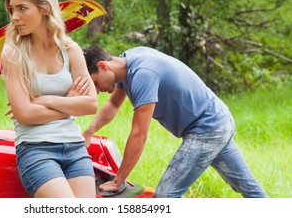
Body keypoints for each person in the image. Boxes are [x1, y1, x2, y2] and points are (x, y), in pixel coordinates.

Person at [82, 45, 268, 198]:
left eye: (95, 83)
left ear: (103, 66)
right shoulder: (127, 61)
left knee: (165, 197)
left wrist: (118, 180)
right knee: (249, 188)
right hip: (219, 120)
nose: (96, 90)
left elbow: (139, 135)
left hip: (207, 129)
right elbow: (113, 105)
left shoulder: (143, 74)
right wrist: (89, 132)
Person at [0, 0, 98, 198]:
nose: (14, 16)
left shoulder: (71, 50)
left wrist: (44, 100)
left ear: (44, 8)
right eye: (12, 9)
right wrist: (70, 102)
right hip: (36, 149)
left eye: (22, 8)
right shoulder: (12, 54)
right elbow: (24, 114)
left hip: (75, 147)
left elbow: (91, 105)